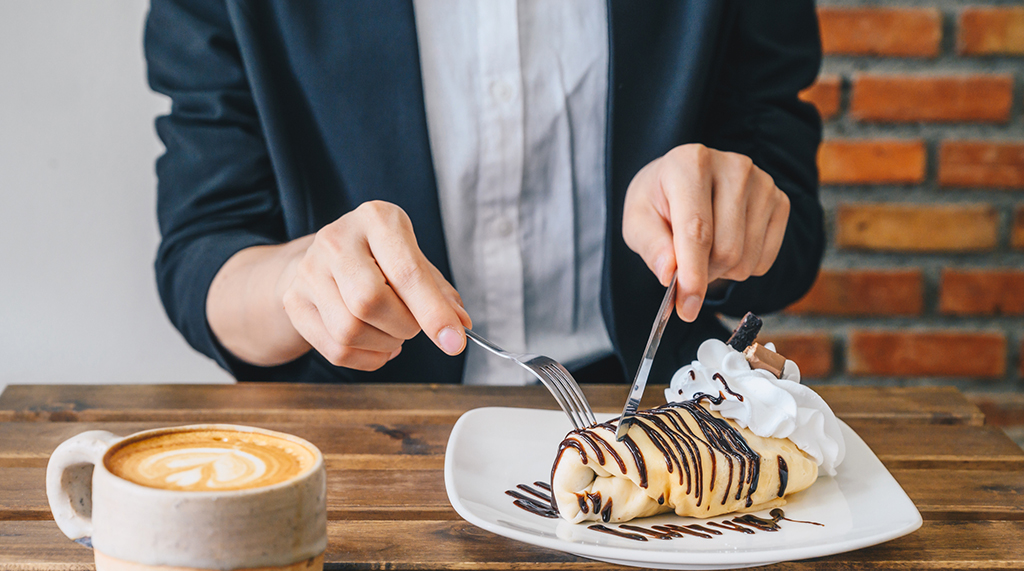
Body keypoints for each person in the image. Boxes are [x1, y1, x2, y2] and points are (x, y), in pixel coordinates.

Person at [144, 0, 824, 385]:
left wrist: (726, 215)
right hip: (366, 445)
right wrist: (302, 280)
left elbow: (789, 227)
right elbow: (202, 249)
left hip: (653, 416)